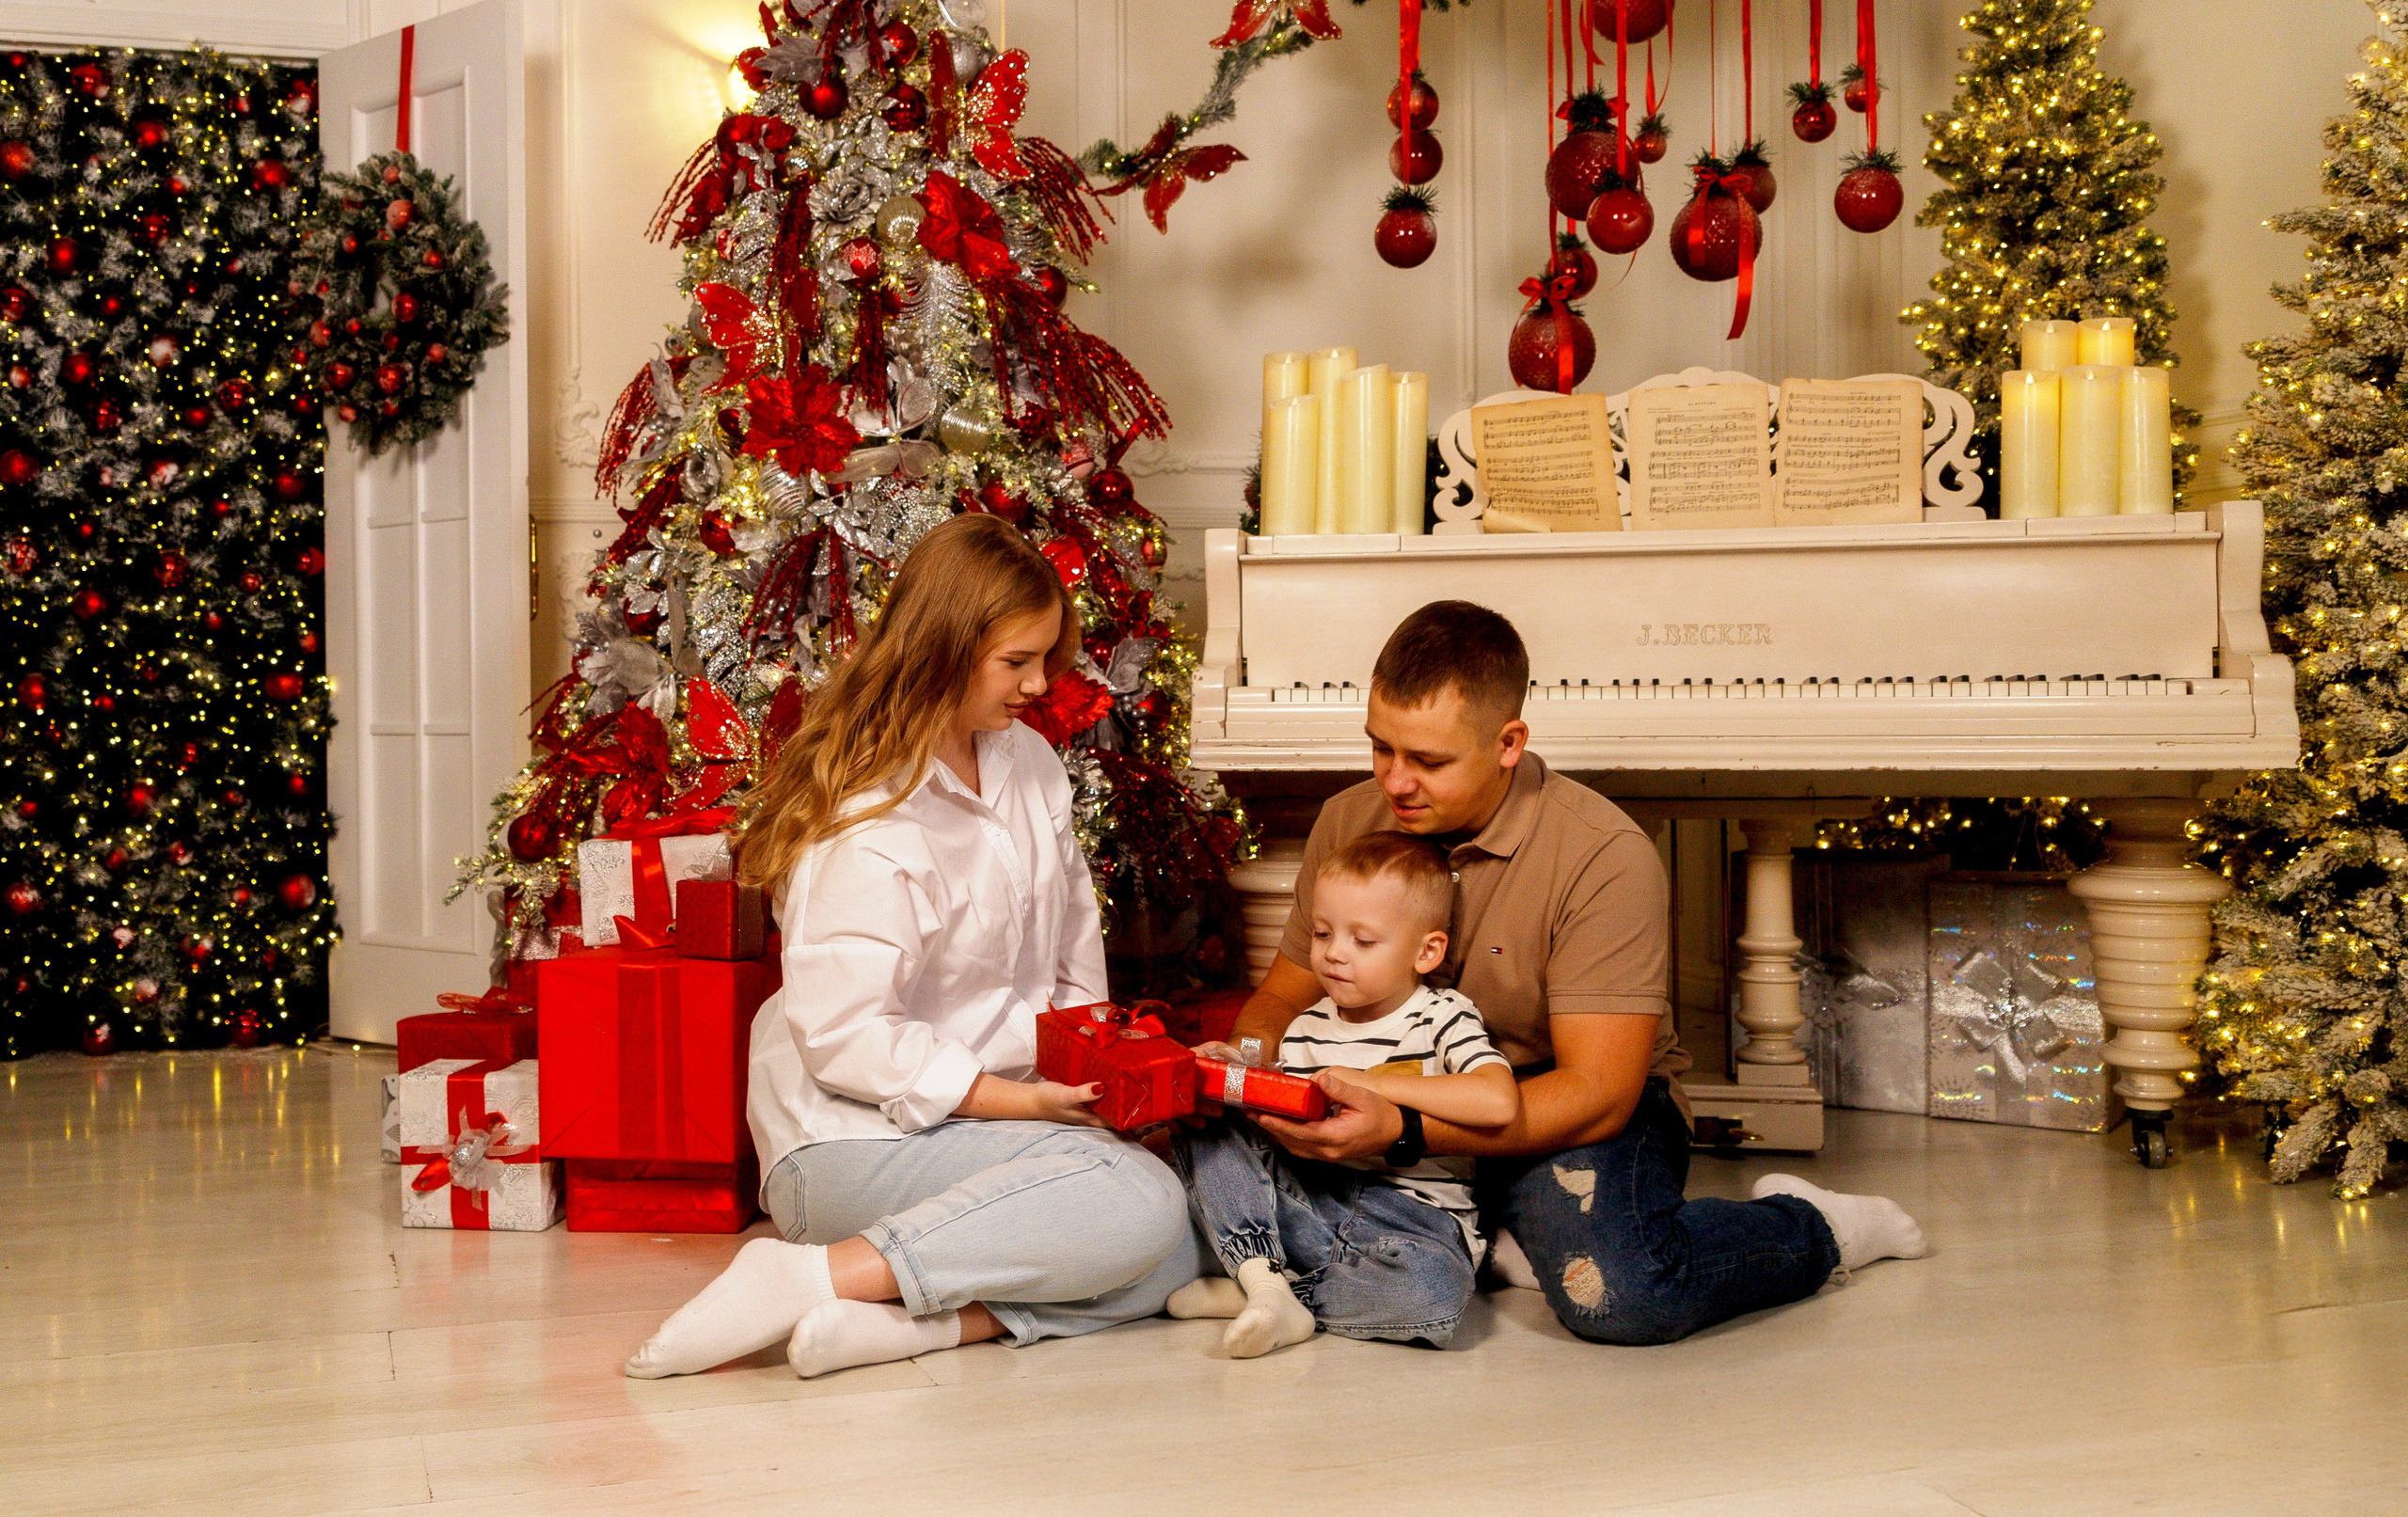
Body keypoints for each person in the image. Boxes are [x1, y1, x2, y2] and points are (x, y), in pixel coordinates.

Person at [1228, 601, 1927, 1347]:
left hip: (1559, 1107)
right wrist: (1254, 1073)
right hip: (1391, 1095)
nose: (1394, 783)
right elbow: (1280, 998)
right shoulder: (1350, 818)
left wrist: (1402, 1132)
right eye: (1380, 748)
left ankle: (1813, 1225)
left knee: (1623, 1298)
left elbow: (1600, 1094)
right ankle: (1499, 1235)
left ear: (1508, 743)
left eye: (1428, 761)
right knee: (1219, 1195)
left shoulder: (1604, 855)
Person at [624, 515, 1199, 1382]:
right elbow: (847, 1040)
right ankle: (805, 1273)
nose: (1040, 685)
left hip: (1005, 1118)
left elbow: (1073, 944)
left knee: (1179, 1239)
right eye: (1017, 662)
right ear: (942, 649)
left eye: (1045, 658)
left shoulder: (1030, 762)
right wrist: (1028, 1106)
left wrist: (1101, 1073)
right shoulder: (865, 814)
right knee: (1143, 1207)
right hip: (849, 1143)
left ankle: (907, 1325)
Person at [1169, 830, 1518, 1358]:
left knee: (1435, 1296)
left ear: (1426, 951)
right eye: (1323, 933)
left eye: (1363, 941)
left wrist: (1371, 1081)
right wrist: (1232, 1072)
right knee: (1209, 1121)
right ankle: (1262, 1276)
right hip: (1315, 1198)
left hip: (1413, 1219)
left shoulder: (1442, 1016)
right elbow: (1274, 1107)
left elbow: (1499, 1101)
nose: (1334, 955)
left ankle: (1272, 1292)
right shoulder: (1306, 1025)